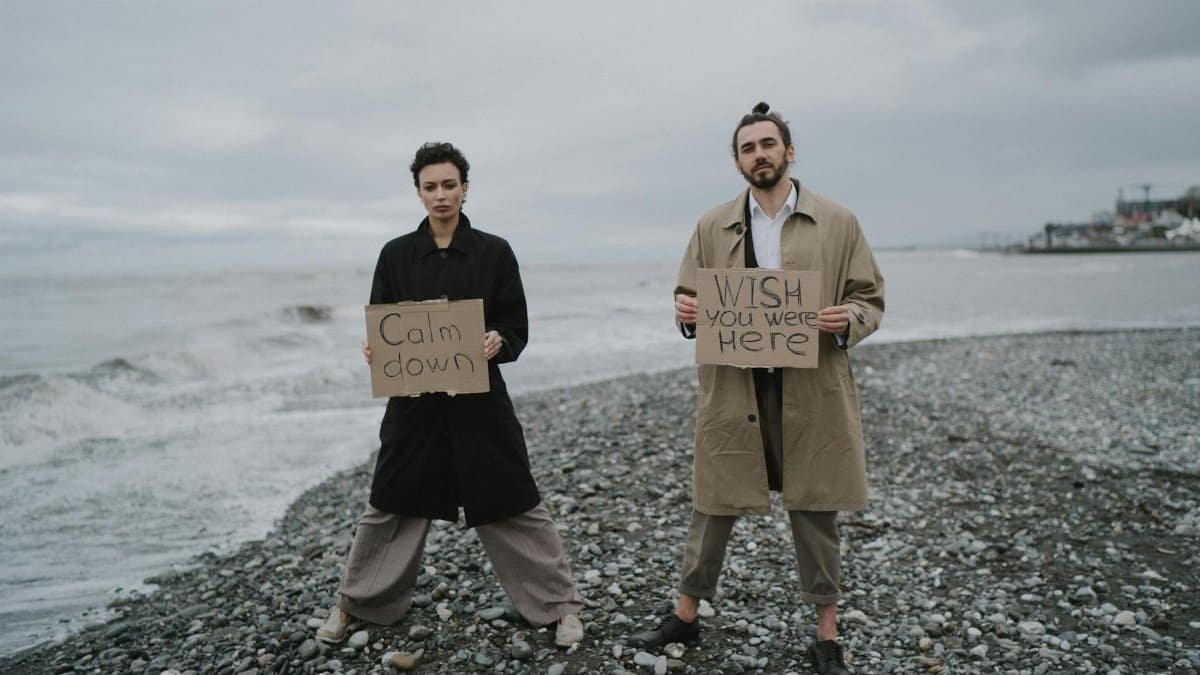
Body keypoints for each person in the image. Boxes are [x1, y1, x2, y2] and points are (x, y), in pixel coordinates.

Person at [628, 103, 884, 675]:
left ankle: (827, 634)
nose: (759, 155)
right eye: (747, 148)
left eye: (768, 144)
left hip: (811, 384)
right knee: (713, 501)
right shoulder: (710, 225)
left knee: (816, 506)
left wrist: (849, 321)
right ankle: (685, 615)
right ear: (737, 160)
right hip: (733, 386)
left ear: (789, 151)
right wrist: (686, 311)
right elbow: (686, 300)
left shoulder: (838, 221)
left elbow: (870, 300)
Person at [316, 141, 584, 648]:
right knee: (390, 502)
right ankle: (356, 604)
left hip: (480, 404)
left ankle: (560, 607)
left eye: (449, 185)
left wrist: (497, 340)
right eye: (430, 187)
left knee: (514, 500)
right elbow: (382, 323)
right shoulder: (395, 254)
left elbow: (515, 324)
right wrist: (376, 352)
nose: (440, 195)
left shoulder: (494, 251)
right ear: (417, 192)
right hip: (414, 407)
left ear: (465, 187)